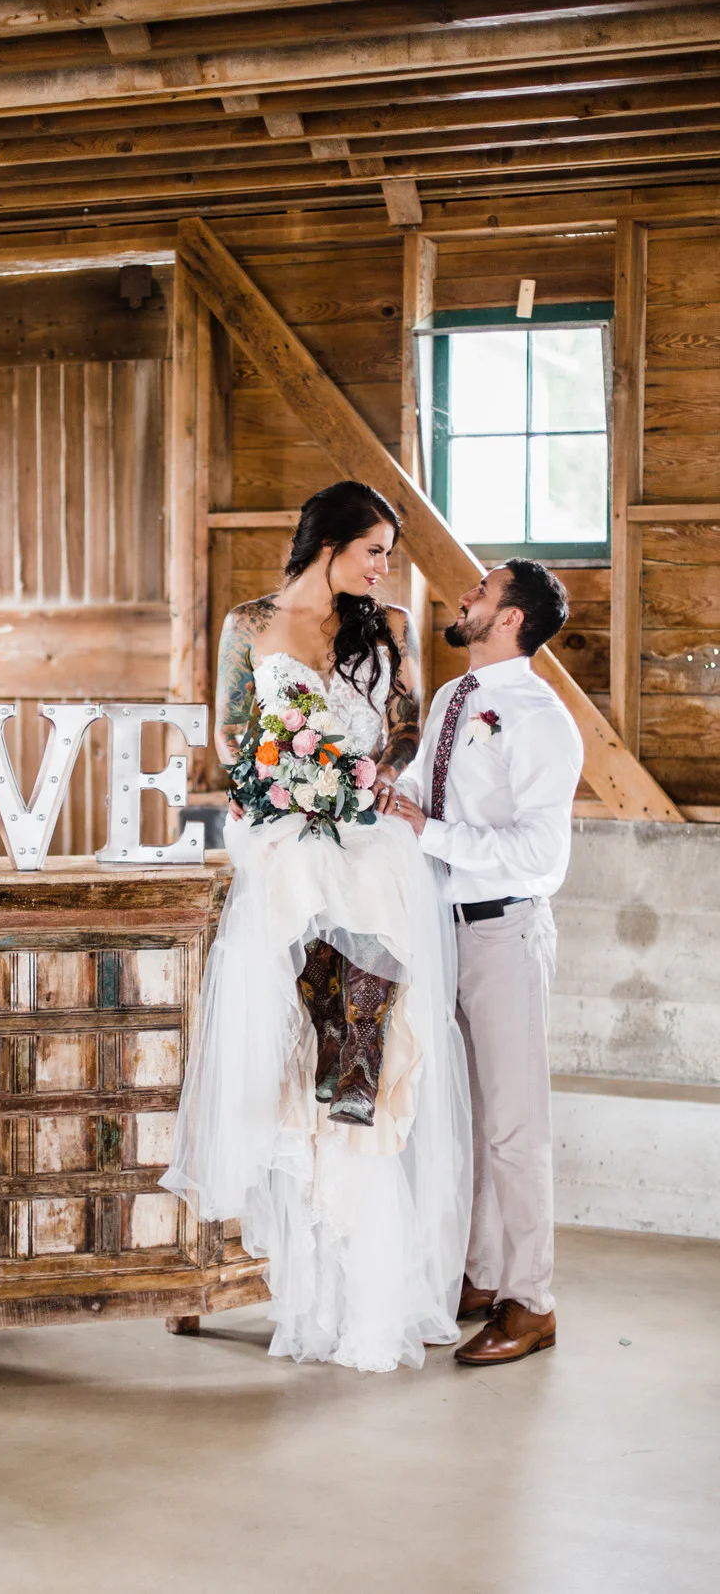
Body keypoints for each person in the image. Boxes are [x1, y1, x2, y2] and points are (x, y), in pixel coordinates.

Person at [161, 481, 472, 1374]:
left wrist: (360, 774)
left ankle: (372, 1296)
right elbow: (230, 740)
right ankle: (312, 1291)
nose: (384, 567)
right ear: (327, 544)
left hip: (368, 861)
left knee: (357, 1056)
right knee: (294, 1059)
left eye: (389, 553)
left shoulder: (394, 626)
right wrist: (289, 775)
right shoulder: (248, 624)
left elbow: (404, 731)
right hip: (283, 861)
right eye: (374, 549)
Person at [381, 560, 583, 1366]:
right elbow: (427, 797)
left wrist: (425, 833)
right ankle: (478, 1275)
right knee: (460, 1116)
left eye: (482, 590)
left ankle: (532, 1301)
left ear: (510, 620)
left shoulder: (539, 718)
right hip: (440, 928)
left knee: (514, 1127)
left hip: (503, 932)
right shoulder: (451, 699)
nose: (466, 595)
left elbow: (543, 856)